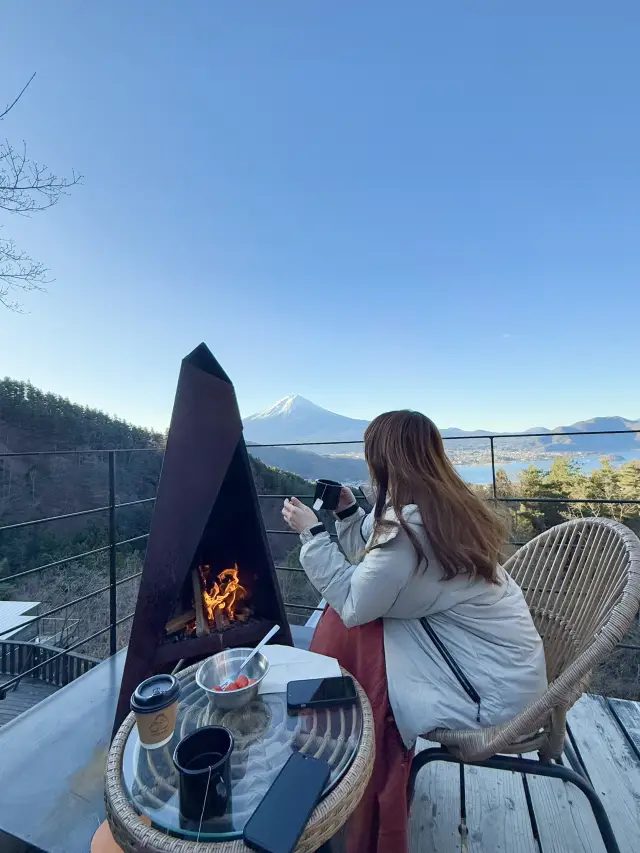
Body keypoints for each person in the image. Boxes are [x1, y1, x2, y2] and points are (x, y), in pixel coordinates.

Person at [282, 410, 547, 853]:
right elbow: (378, 568)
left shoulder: (410, 529)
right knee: (355, 634)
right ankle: (345, 753)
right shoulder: (441, 507)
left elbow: (356, 601)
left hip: (487, 696)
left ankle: (342, 755)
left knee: (352, 634)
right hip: (498, 669)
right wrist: (349, 513)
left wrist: (311, 534)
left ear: (384, 461)